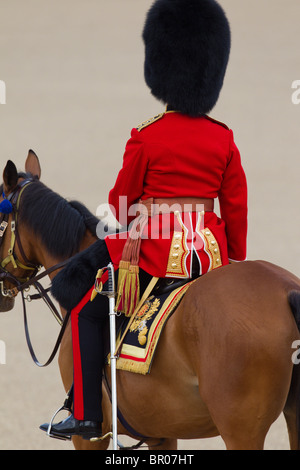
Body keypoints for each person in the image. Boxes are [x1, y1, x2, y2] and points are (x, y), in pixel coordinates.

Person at [40, 0, 247, 441]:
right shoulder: (224, 137)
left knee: (84, 307)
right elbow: (235, 209)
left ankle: (87, 415)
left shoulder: (147, 136)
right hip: (209, 254)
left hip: (153, 249)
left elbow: (120, 202)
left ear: (162, 73)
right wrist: (231, 261)